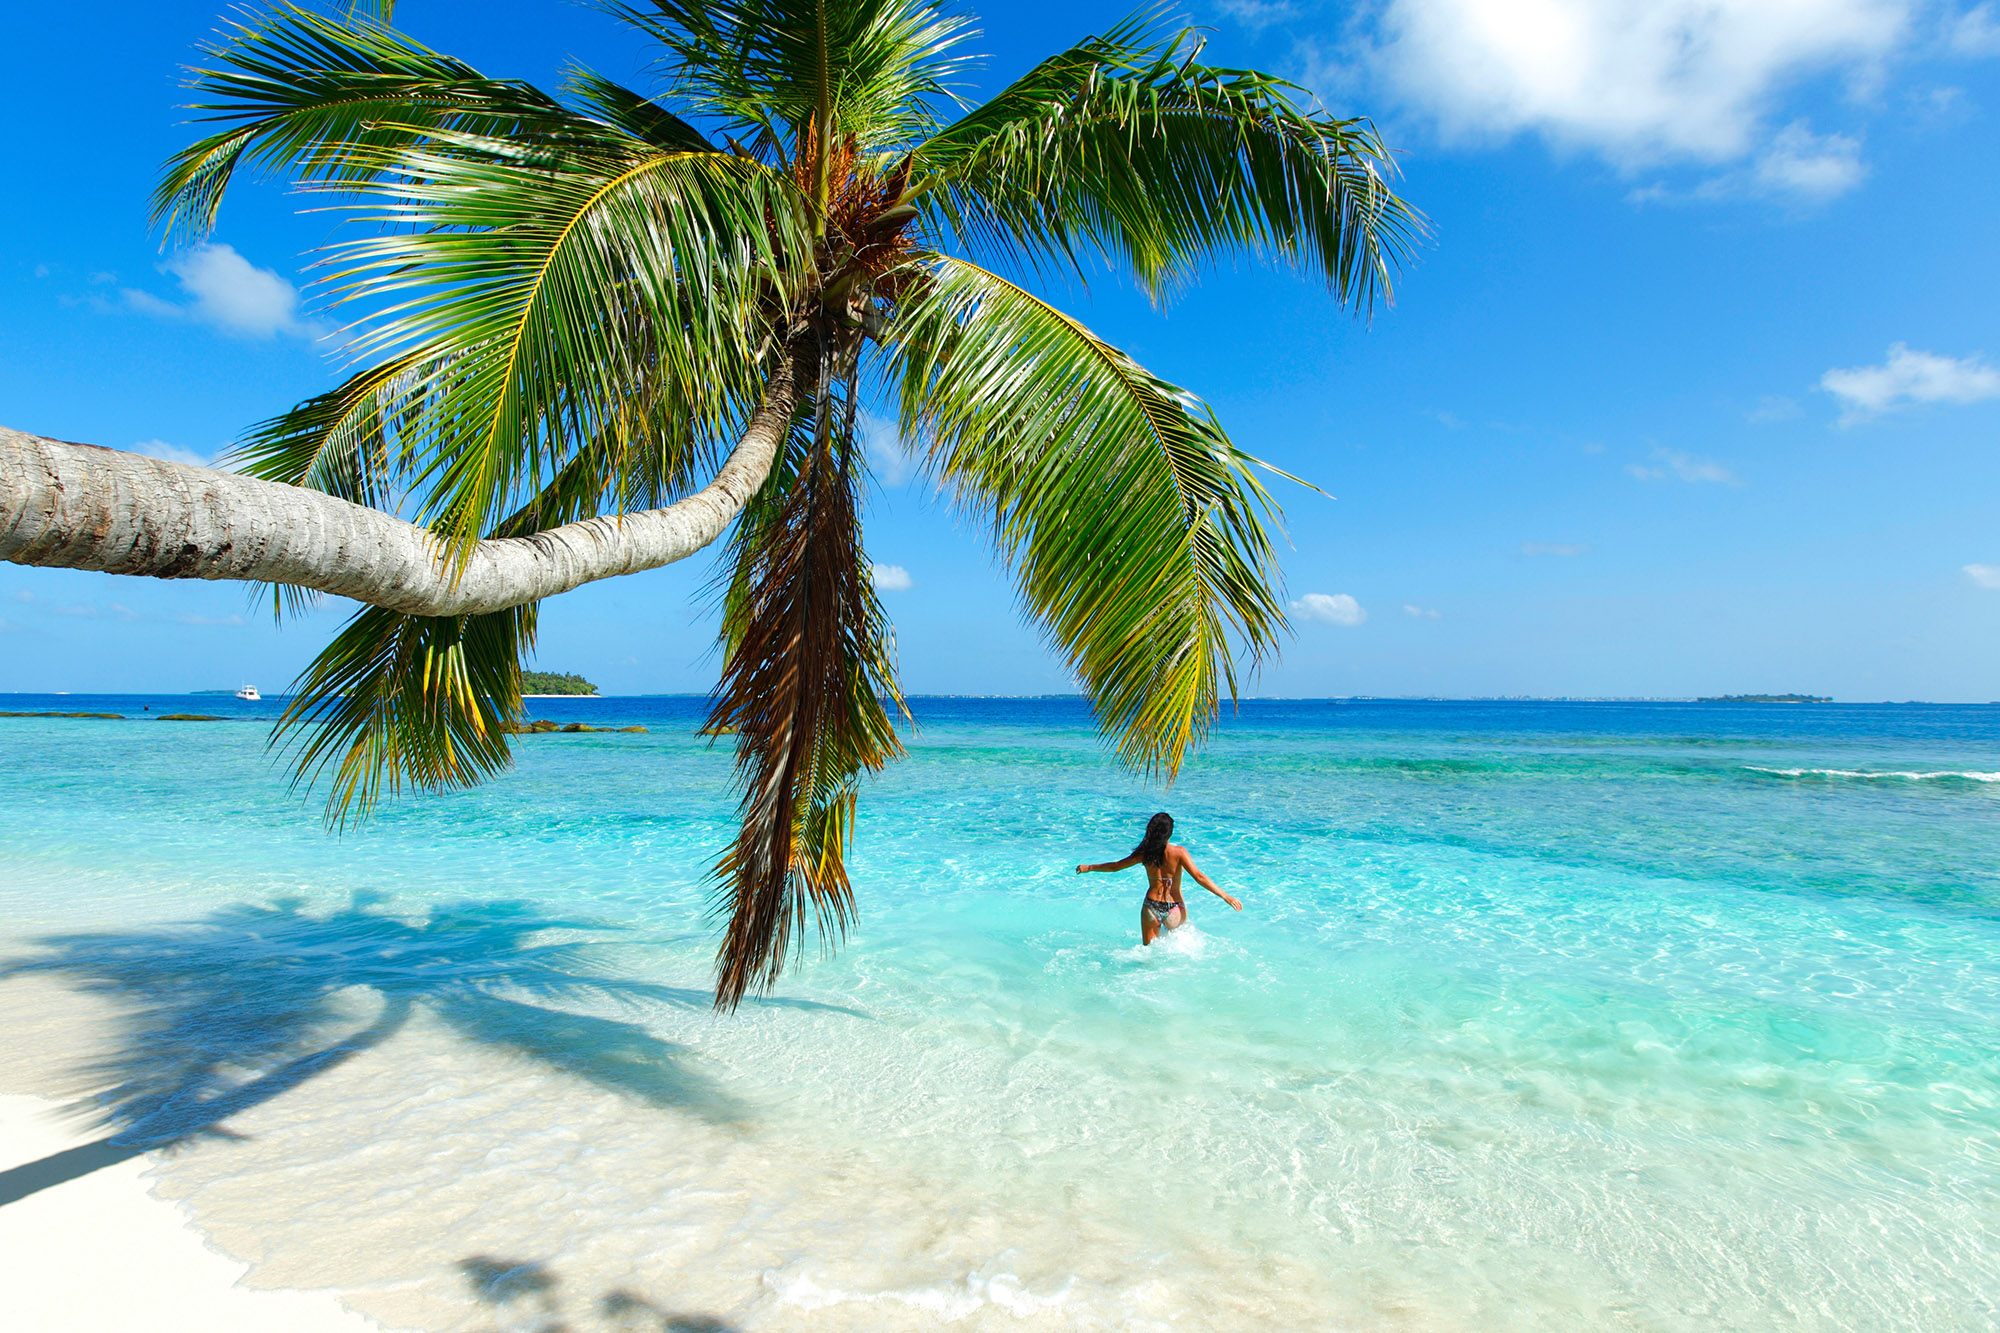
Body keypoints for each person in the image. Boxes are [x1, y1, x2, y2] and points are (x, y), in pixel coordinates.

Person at [1076, 812, 1242, 945]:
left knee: (1149, 954)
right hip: (1174, 908)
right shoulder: (1179, 853)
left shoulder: (1144, 853)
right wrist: (1226, 896)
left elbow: (1115, 866)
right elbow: (1199, 877)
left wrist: (1089, 868)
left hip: (1151, 907)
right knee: (1177, 945)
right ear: (1169, 832)